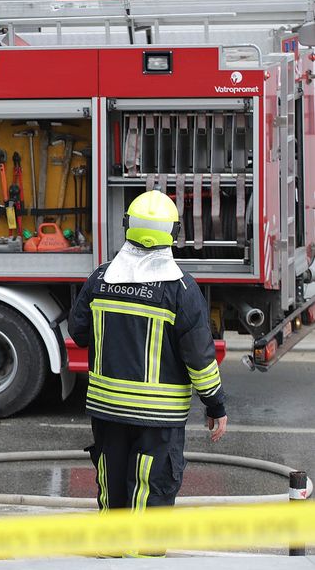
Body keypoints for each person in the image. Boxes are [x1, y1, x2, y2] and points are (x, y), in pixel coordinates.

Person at [68, 189, 227, 522]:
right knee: (151, 494)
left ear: (127, 226)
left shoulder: (101, 277)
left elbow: (79, 332)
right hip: (159, 418)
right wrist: (215, 406)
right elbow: (199, 359)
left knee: (112, 492)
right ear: (174, 233)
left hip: (107, 410)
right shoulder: (181, 289)